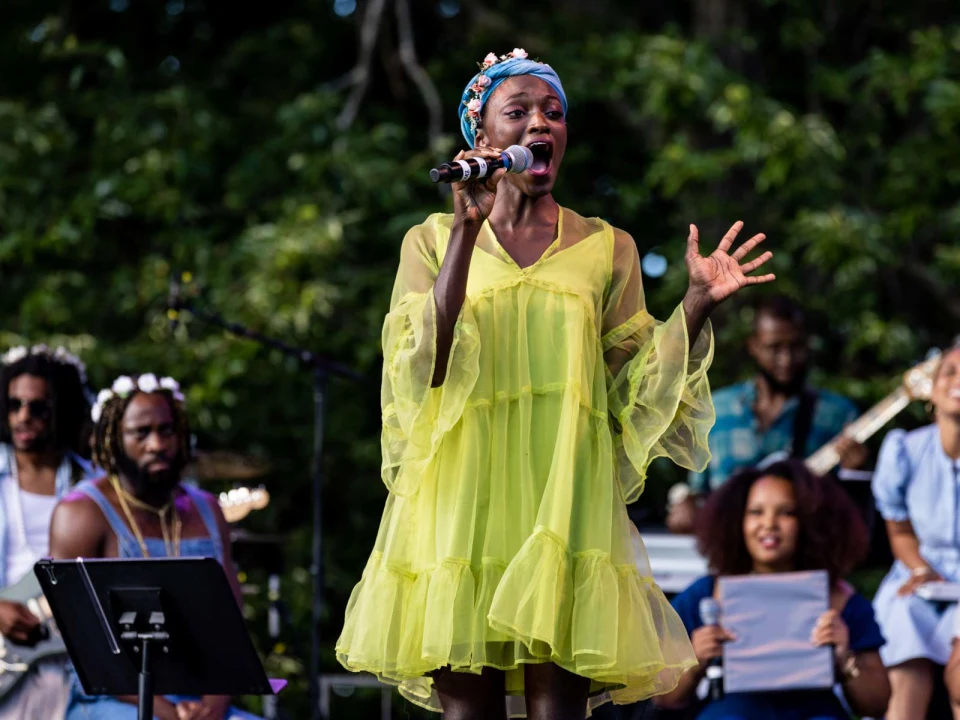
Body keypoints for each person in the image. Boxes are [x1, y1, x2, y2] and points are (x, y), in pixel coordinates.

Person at [335, 48, 775, 719]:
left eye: (554, 111)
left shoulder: (607, 247)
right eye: (520, 111)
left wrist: (696, 304)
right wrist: (464, 235)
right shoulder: (428, 241)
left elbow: (635, 387)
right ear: (481, 138)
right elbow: (424, 365)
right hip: (462, 500)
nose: (542, 122)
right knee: (469, 711)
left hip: (564, 499)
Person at [48, 373, 262, 720]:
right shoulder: (80, 512)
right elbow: (83, 643)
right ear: (114, 438)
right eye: (141, 433)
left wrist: (213, 705)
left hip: (199, 699)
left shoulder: (207, 509)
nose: (157, 444)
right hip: (116, 698)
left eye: (166, 430)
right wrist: (166, 710)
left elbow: (230, 628)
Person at [658, 460, 890, 719]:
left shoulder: (841, 600)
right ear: (736, 522)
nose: (769, 523)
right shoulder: (706, 594)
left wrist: (844, 658)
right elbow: (661, 697)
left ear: (810, 522)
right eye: (756, 512)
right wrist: (694, 662)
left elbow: (877, 704)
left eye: (786, 512)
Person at [666, 295, 868, 533]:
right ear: (754, 346)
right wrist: (685, 503)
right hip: (727, 552)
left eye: (796, 346)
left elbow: (854, 515)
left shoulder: (838, 414)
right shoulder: (715, 409)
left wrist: (856, 472)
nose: (786, 359)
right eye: (775, 348)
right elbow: (698, 489)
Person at [0, 344, 96, 720]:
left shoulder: (92, 486)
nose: (24, 417)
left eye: (39, 408)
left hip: (67, 644)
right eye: (14, 404)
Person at [871, 338, 960, 720]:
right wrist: (920, 569)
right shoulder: (904, 450)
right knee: (904, 623)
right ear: (932, 388)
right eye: (951, 371)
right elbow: (900, 530)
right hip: (921, 572)